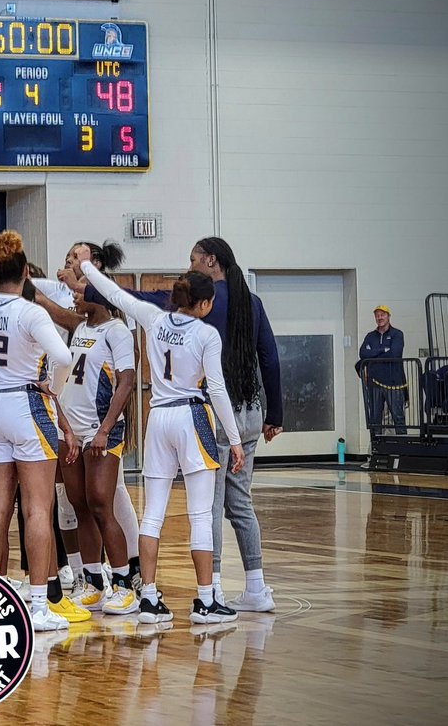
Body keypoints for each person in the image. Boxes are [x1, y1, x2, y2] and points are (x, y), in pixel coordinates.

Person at [83, 236, 283, 613]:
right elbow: (241, 376)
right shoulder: (221, 322)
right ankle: (214, 597)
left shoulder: (156, 318)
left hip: (160, 417)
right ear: (203, 304)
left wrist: (88, 269)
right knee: (210, 510)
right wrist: (246, 433)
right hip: (206, 415)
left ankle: (149, 596)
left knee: (153, 513)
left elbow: (119, 296)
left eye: (193, 258)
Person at [0, 231, 78, 633]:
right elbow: (64, 355)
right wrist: (54, 388)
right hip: (27, 404)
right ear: (25, 275)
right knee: (37, 509)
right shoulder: (31, 312)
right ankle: (37, 605)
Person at [58, 250, 139, 615]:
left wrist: (105, 429)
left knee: (102, 505)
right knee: (80, 506)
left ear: (98, 295)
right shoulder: (81, 328)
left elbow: (126, 382)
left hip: (100, 430)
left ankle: (123, 584)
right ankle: (92, 582)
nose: (75, 295)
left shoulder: (116, 332)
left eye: (81, 291)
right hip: (72, 432)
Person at [360, 304, 407, 435]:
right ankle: (376, 444)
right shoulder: (370, 336)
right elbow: (363, 353)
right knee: (375, 418)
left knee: (398, 417)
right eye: (377, 315)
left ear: (388, 316)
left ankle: (403, 444)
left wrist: (373, 355)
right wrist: (383, 350)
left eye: (382, 315)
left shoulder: (397, 334)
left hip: (393, 383)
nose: (380, 318)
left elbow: (395, 354)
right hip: (374, 384)